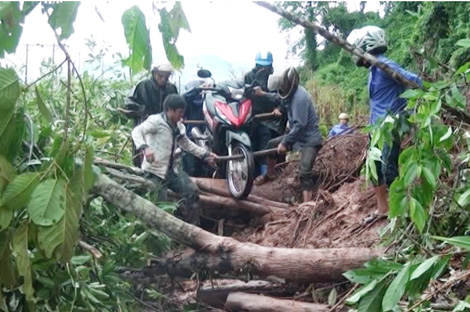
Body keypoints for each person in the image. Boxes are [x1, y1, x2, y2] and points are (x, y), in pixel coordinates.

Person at [347, 25, 422, 216]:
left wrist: (411, 110)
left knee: (389, 169)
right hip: (377, 128)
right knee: (374, 170)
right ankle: (383, 209)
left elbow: (415, 81)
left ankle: (403, 213)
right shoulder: (373, 69)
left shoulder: (384, 66)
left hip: (390, 126)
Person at [131, 94, 218, 224]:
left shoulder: (179, 127)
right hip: (154, 172)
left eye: (182, 112)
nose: (181, 116)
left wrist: (205, 155)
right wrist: (145, 148)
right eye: (179, 112)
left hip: (173, 171)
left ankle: (191, 227)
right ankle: (166, 237)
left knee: (192, 192)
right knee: (161, 206)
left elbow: (186, 144)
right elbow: (137, 132)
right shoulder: (155, 121)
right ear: (169, 110)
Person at [255, 67, 323, 203]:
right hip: (297, 135)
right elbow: (279, 99)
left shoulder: (300, 98)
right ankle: (270, 174)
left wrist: (286, 142)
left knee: (304, 172)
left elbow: (300, 126)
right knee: (271, 145)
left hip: (309, 139)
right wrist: (263, 94)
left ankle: (307, 205)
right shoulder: (289, 94)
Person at [124, 63, 178, 167]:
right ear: (154, 74)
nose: (163, 79)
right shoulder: (142, 86)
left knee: (165, 153)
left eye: (166, 76)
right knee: (142, 151)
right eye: (161, 76)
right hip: (145, 124)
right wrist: (143, 111)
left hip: (164, 127)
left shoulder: (171, 89)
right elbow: (129, 103)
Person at [244, 51, 283, 177]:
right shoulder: (249, 77)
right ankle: (259, 173)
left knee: (274, 144)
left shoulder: (275, 77)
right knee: (255, 144)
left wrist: (278, 108)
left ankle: (272, 172)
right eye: (261, 66)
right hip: (254, 117)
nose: (263, 69)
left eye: (266, 66)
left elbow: (282, 96)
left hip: (273, 118)